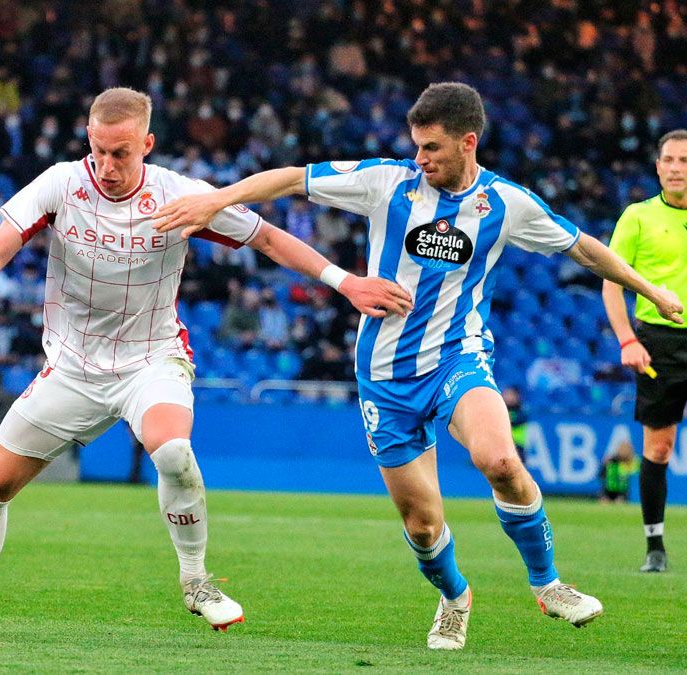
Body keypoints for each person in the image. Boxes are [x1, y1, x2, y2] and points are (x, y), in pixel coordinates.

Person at [154, 82, 684, 650]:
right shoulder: (387, 182)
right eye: (416, 145)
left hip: (458, 358)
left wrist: (648, 289)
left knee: (500, 459)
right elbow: (290, 177)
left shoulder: (506, 204)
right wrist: (216, 200)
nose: (419, 157)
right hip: (383, 376)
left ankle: (548, 582)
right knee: (423, 525)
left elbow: (584, 248)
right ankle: (455, 597)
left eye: (431, 147)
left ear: (468, 142)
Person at [0, 87, 412, 637]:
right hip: (72, 368)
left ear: (147, 144)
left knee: (171, 450)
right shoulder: (60, 184)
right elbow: (6, 239)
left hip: (152, 360)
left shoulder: (181, 198)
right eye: (97, 150)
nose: (106, 165)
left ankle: (197, 581)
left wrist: (346, 282)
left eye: (120, 153)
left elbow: (266, 238)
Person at [601, 128, 687, 573]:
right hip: (658, 340)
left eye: (684, 161)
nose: (676, 168)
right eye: (669, 160)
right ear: (657, 167)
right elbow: (611, 282)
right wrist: (628, 340)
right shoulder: (637, 216)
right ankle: (655, 546)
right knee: (659, 447)